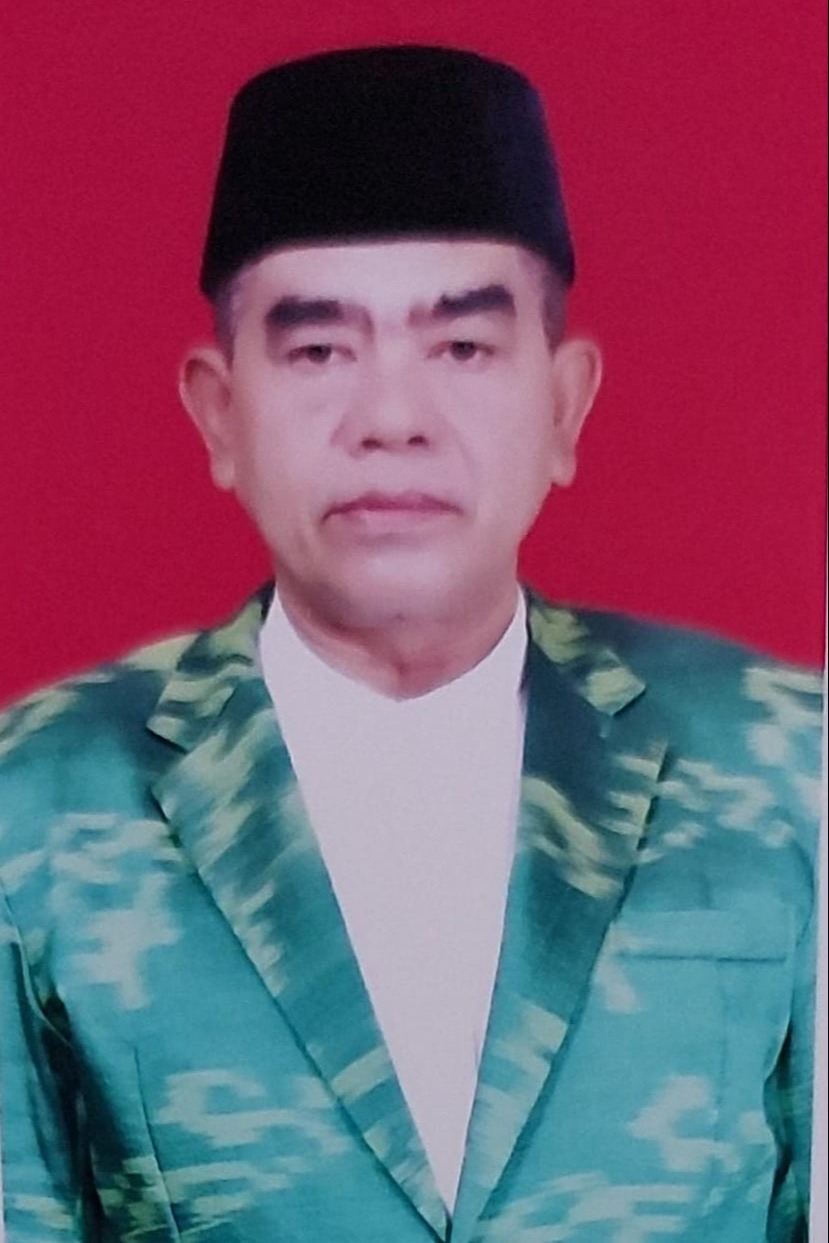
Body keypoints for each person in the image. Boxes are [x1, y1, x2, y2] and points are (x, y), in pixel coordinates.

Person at [0, 45, 821, 1243]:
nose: (391, 419)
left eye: (463, 347)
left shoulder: (788, 767)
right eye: (318, 350)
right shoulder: (35, 805)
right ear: (219, 414)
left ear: (564, 403)